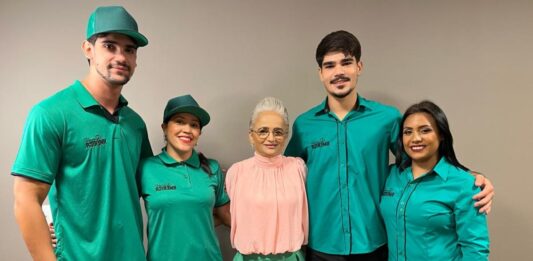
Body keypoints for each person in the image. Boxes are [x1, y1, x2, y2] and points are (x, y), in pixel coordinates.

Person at [285, 30, 494, 260]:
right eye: (330, 65)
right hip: (322, 247)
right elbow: (284, 178)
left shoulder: (387, 118)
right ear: (320, 73)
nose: (339, 72)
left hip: (375, 245)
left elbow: (420, 161)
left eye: (346, 63)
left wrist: (471, 177)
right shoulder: (304, 125)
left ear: (359, 67)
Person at [12, 6, 151, 260]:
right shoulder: (50, 114)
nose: (121, 56)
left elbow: (155, 189)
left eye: (129, 49)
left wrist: (198, 173)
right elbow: (26, 198)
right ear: (88, 49)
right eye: (110, 46)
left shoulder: (135, 124)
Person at [380, 100, 490, 260]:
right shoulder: (391, 176)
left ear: (441, 135)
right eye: (407, 132)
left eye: (425, 130)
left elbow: (475, 250)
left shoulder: (464, 184)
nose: (415, 138)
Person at [138, 95, 231, 261]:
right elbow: (124, 214)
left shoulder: (213, 168)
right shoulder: (145, 168)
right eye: (180, 121)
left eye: (194, 125)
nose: (187, 130)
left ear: (199, 132)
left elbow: (225, 215)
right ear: (165, 127)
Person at [226, 97, 308, 260]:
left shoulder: (298, 168)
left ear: (285, 136)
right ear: (251, 135)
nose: (271, 138)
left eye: (278, 132)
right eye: (263, 131)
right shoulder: (237, 172)